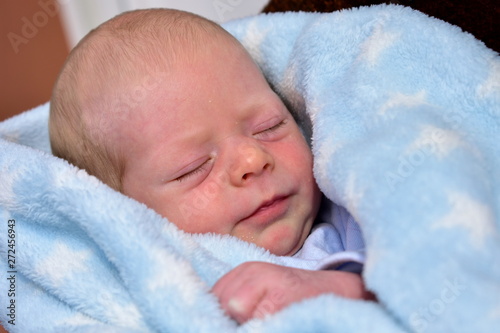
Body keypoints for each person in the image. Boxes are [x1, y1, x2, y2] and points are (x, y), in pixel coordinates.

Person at [49, 8, 372, 324]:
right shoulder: (150, 290)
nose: (253, 159)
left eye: (269, 126)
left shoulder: (356, 217)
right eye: (194, 167)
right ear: (124, 211)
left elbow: (413, 282)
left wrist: (338, 288)